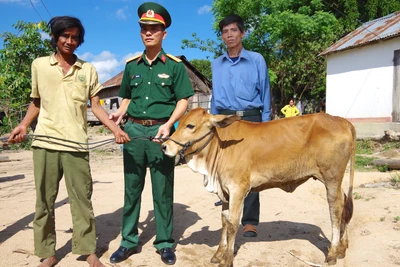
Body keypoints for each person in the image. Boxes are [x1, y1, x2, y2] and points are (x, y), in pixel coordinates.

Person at [7, 16, 130, 267]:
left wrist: (114, 129)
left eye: (75, 37)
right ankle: (48, 252)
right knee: (44, 201)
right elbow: (37, 101)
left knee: (82, 200)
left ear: (79, 40)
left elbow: (95, 106)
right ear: (55, 37)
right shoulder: (39, 65)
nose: (70, 41)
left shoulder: (88, 70)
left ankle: (87, 250)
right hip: (45, 143)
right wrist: (23, 124)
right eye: (65, 36)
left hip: (75, 144)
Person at [108, 2, 194, 265]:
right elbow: (125, 97)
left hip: (162, 134)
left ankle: (165, 243)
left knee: (162, 190)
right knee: (131, 190)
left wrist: (169, 125)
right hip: (133, 132)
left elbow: (183, 101)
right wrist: (119, 116)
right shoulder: (131, 66)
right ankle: (128, 241)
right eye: (144, 28)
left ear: (164, 33)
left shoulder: (176, 66)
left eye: (154, 29)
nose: (148, 33)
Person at [211, 14, 271, 238]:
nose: (229, 35)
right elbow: (216, 96)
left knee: (251, 170)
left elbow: (265, 92)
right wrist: (214, 122)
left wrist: (266, 124)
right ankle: (228, 213)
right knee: (225, 167)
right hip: (225, 120)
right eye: (225, 32)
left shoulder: (256, 60)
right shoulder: (216, 63)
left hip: (251, 118)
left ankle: (250, 222)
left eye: (234, 30)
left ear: (242, 33)